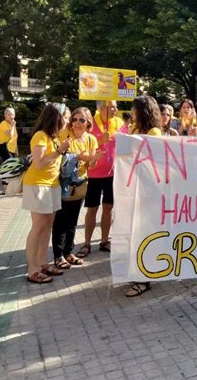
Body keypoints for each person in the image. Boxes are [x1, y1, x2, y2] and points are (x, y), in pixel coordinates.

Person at [22, 103, 70, 284]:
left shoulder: (54, 137)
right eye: (65, 117)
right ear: (55, 118)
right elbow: (39, 163)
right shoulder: (40, 136)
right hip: (38, 185)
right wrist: (59, 151)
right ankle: (32, 269)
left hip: (52, 185)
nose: (67, 120)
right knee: (38, 226)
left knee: (48, 224)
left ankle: (42, 262)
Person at [125, 95, 163, 298]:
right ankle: (139, 272)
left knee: (143, 233)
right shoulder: (133, 129)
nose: (131, 113)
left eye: (134, 109)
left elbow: (152, 160)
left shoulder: (154, 132)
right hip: (133, 189)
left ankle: (143, 279)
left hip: (148, 191)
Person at [51, 107, 98, 269]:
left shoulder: (91, 139)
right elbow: (58, 158)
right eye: (75, 119)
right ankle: (58, 256)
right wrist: (77, 156)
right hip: (63, 184)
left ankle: (68, 252)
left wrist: (94, 159)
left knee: (72, 220)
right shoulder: (64, 135)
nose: (77, 123)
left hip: (80, 184)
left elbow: (90, 165)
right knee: (60, 220)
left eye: (82, 120)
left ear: (88, 122)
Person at [76, 100, 122, 259]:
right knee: (92, 209)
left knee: (108, 208)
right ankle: (86, 243)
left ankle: (104, 241)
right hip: (94, 174)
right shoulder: (91, 123)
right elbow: (83, 144)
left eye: (116, 106)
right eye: (113, 106)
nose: (116, 109)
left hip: (112, 173)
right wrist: (100, 140)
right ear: (102, 108)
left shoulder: (119, 122)